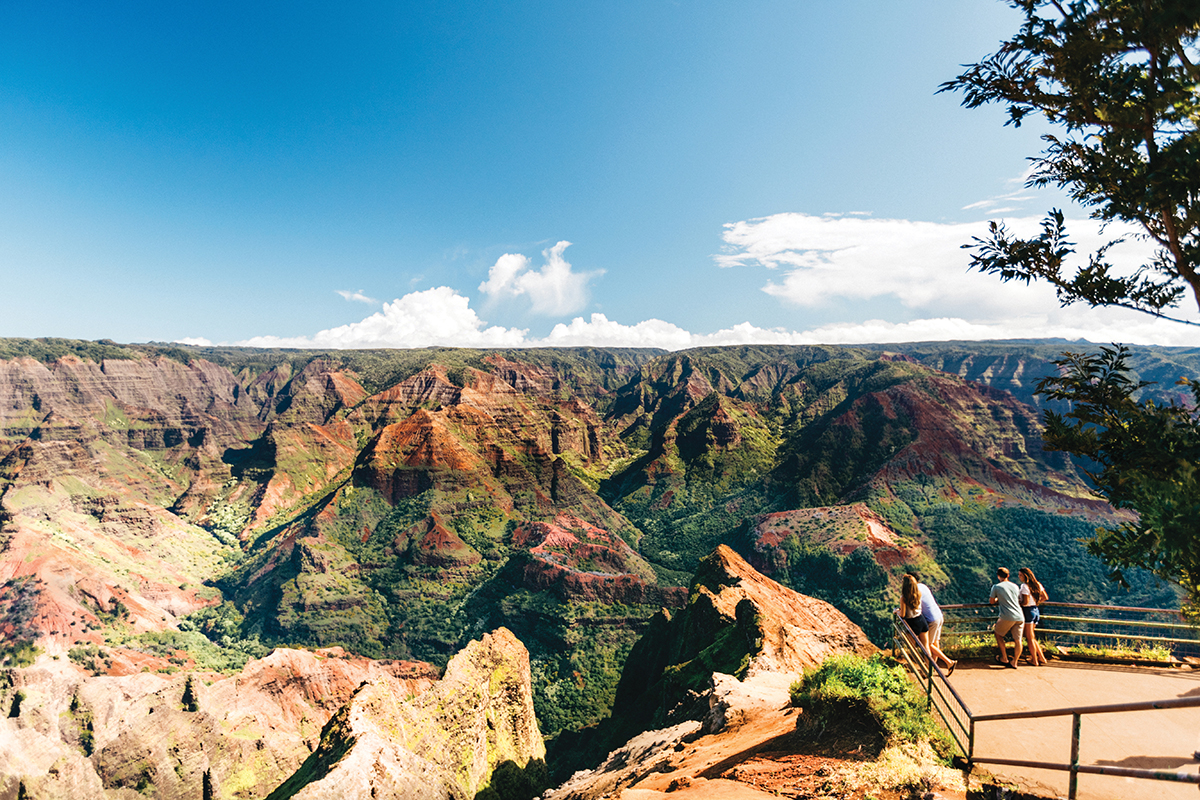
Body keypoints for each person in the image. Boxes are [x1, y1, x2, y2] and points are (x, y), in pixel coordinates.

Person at [899, 574, 955, 675]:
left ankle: (947, 662)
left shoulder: (906, 596)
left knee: (926, 646)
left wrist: (898, 611)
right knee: (933, 643)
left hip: (930, 620)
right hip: (938, 616)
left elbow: (904, 614)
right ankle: (932, 668)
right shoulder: (921, 589)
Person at [990, 567, 1024, 668]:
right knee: (1018, 640)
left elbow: (991, 601)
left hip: (1007, 616)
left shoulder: (996, 587)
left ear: (998, 576)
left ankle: (1004, 658)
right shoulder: (1015, 586)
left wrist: (998, 599)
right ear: (1008, 576)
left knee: (998, 635)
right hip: (1020, 615)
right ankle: (1015, 661)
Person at [1018, 567, 1048, 666]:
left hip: (1028, 612)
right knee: (1032, 636)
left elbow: (1025, 602)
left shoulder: (1024, 587)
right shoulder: (1038, 584)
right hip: (1036, 610)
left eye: (1020, 575)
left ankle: (1034, 660)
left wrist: (1018, 604)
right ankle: (1041, 658)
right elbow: (1045, 597)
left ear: (1025, 576)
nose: (1019, 577)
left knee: (1029, 637)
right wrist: (1036, 601)